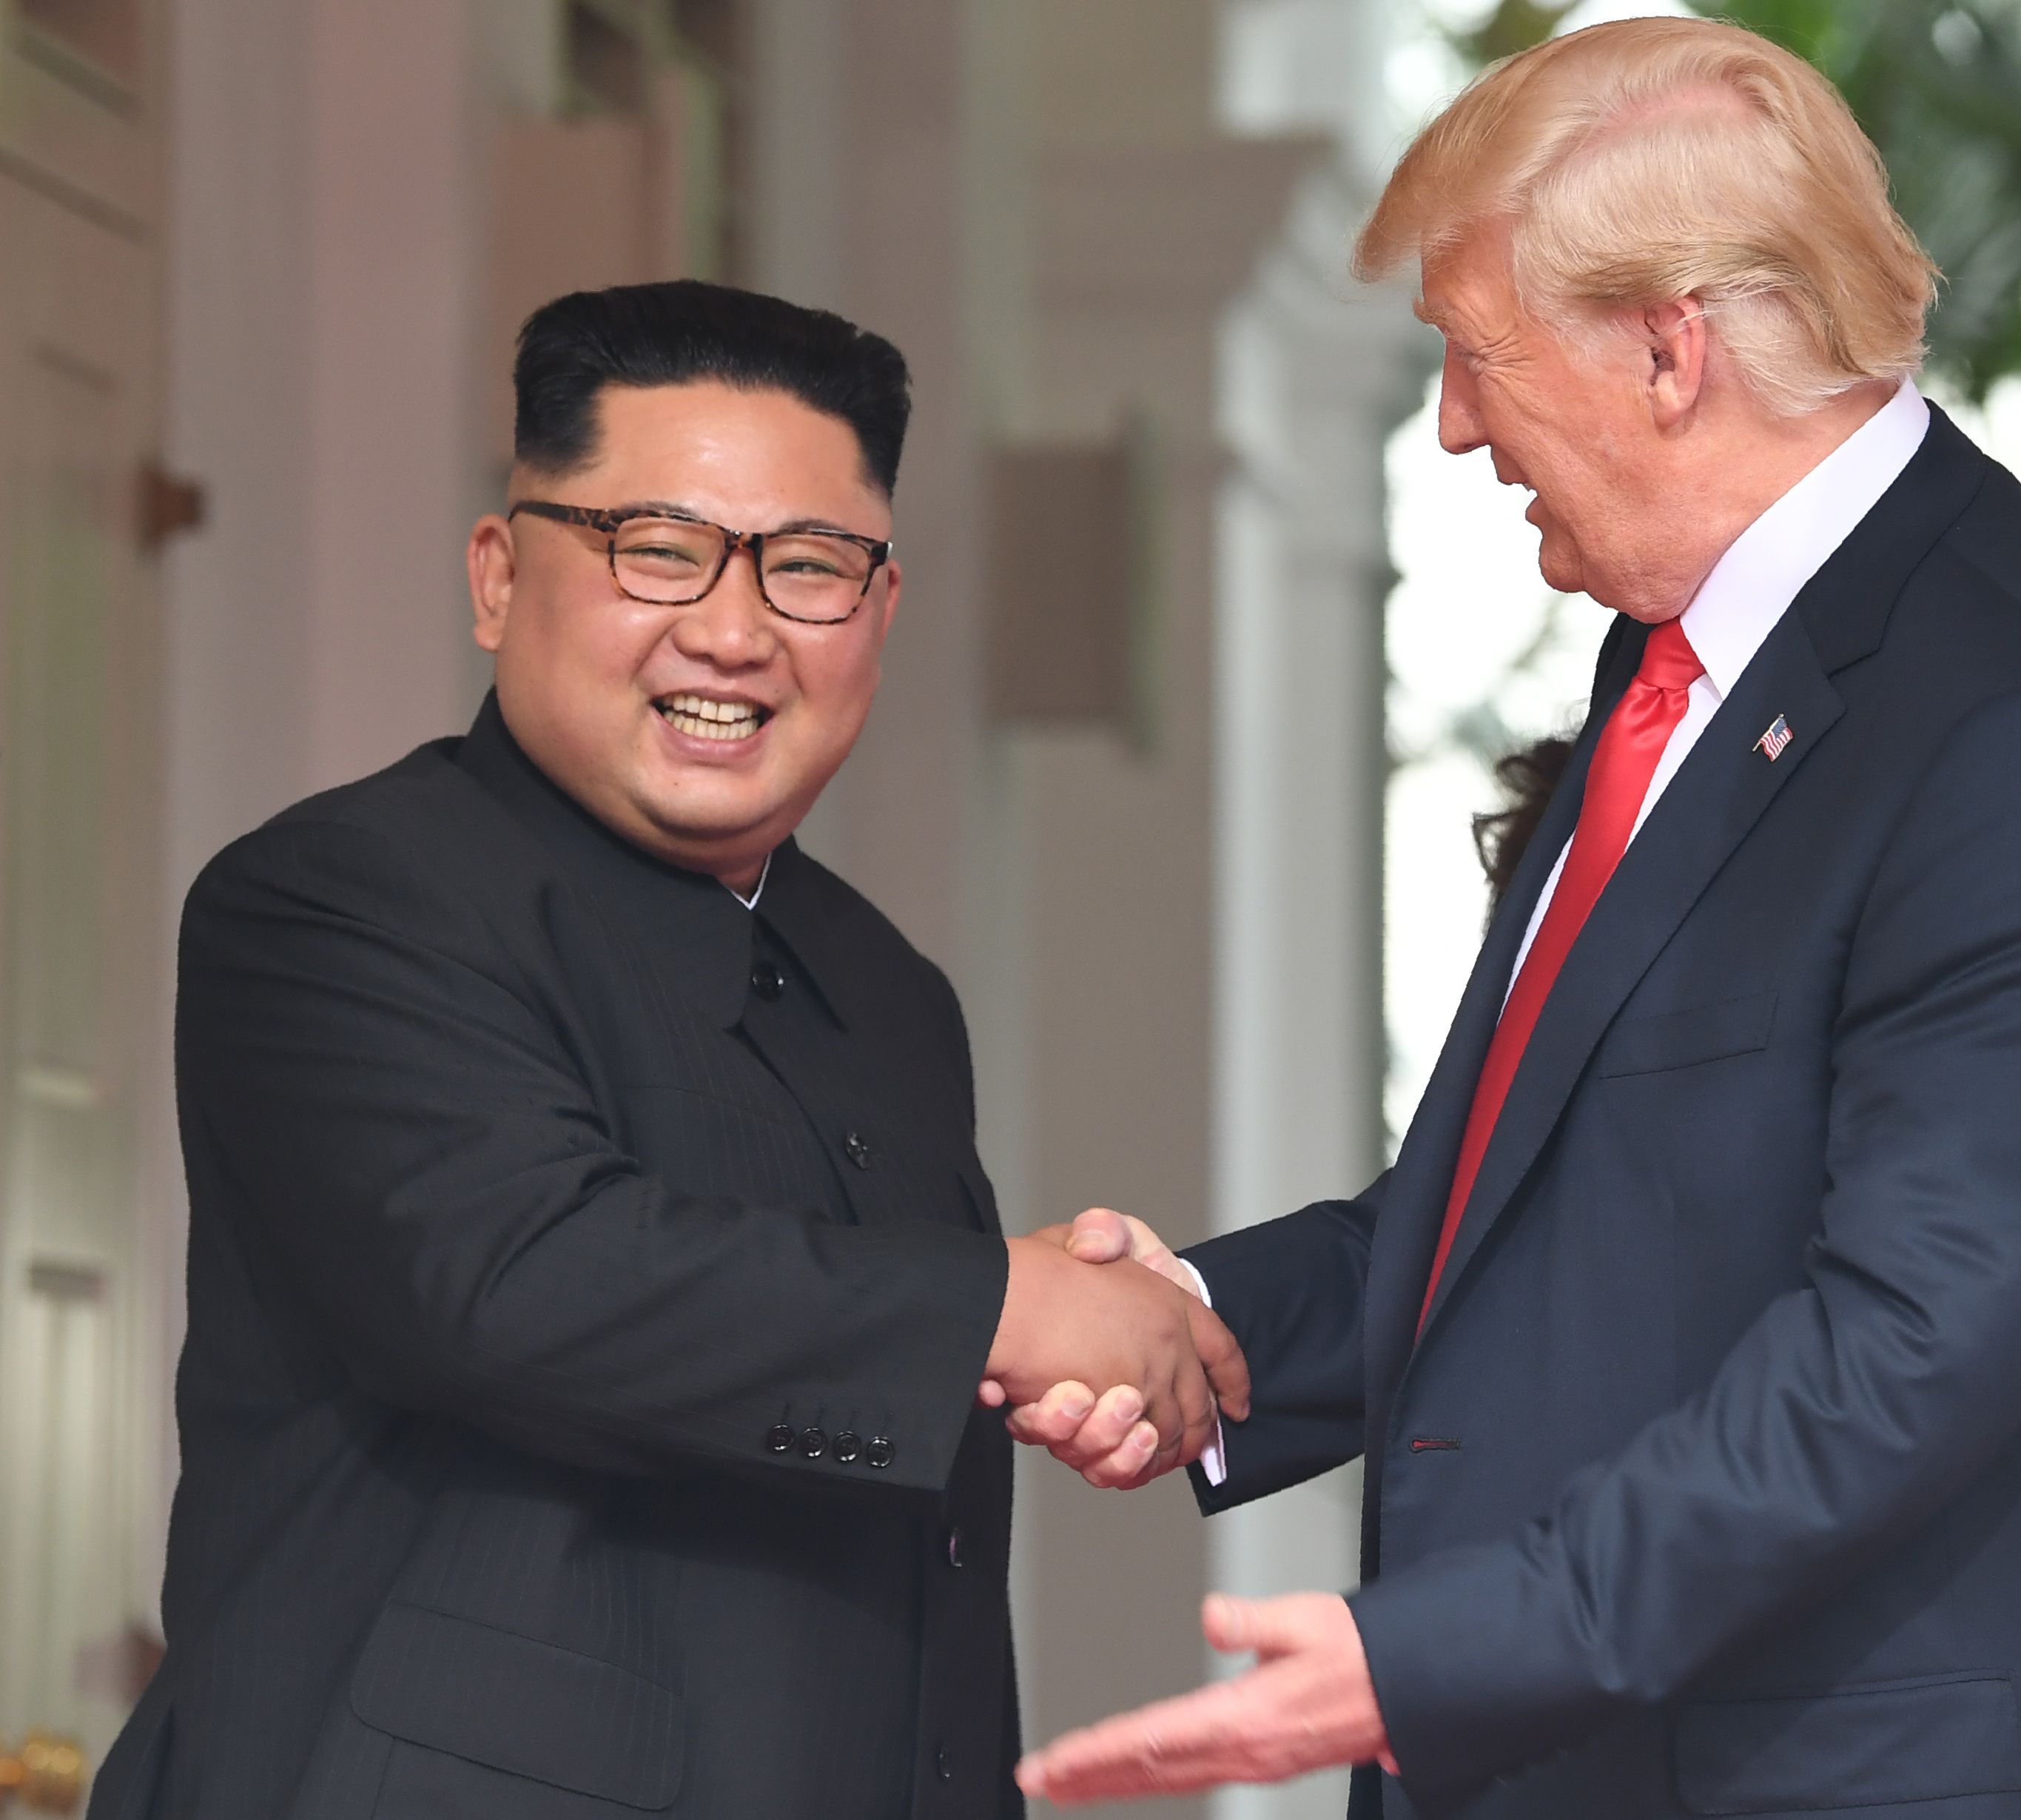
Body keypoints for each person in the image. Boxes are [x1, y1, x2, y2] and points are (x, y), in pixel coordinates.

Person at [1004, 19, 2021, 1819]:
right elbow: (1557, 1218)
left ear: (1668, 347)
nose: (1454, 424)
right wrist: (1208, 1330)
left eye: (1475, 356)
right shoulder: (1676, 661)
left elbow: (1902, 1354)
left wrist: (1432, 1653)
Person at [88, 280, 1243, 1820]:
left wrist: (1057, 1347)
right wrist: (1007, 1309)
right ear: (499, 578)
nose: (732, 628)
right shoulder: (344, 897)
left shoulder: (887, 990)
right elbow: (514, 1281)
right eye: (657, 548)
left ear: (880, 617)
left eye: (811, 569)